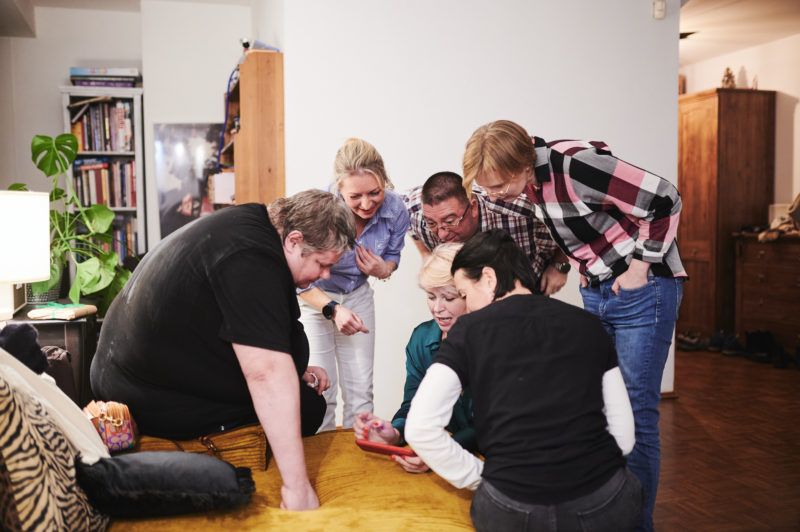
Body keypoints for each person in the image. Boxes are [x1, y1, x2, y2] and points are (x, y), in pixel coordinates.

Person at [462, 120, 686, 531]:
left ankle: (637, 525)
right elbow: (582, 224)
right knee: (599, 405)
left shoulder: (575, 165)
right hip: (600, 290)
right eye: (484, 187)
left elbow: (664, 198)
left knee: (636, 414)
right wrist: (581, 266)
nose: (491, 196)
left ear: (523, 164)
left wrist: (639, 268)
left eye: (497, 185)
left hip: (644, 288)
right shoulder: (528, 185)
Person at [90, 189, 356, 511]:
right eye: (322, 264)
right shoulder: (251, 259)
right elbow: (266, 373)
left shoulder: (255, 226)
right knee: (306, 407)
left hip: (138, 371)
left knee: (300, 392)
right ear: (294, 240)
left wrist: (293, 369)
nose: (325, 276)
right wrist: (297, 489)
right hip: (144, 394)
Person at [405, 229, 641, 532]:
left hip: (512, 508)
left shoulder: (469, 330)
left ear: (488, 279)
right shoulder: (589, 325)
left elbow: (420, 428)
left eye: (464, 294)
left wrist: (482, 477)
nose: (467, 306)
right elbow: (624, 437)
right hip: (603, 502)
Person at [298, 138, 410, 432]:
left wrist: (383, 269)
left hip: (358, 295)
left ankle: (358, 453)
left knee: (361, 391)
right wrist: (333, 309)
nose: (367, 204)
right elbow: (298, 280)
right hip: (315, 297)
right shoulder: (318, 210)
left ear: (385, 181)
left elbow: (393, 256)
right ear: (339, 189)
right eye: (355, 196)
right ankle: (322, 456)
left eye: (375, 192)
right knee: (321, 389)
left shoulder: (396, 209)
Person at [353, 243, 476, 473]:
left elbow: (490, 424)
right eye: (431, 297)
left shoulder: (496, 342)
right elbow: (414, 405)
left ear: (471, 295)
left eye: (449, 298)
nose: (437, 308)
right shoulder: (421, 340)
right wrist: (395, 433)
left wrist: (441, 452)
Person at [404, 171, 570, 296]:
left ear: (473, 207)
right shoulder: (414, 210)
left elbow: (566, 222)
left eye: (450, 221)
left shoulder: (520, 208)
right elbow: (402, 214)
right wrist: (425, 254)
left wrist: (560, 264)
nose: (441, 235)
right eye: (432, 224)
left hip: (523, 291)